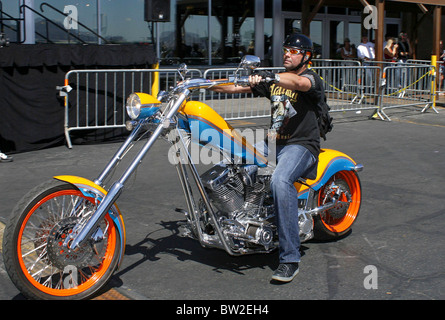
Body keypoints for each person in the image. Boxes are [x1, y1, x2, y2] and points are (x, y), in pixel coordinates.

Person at [210, 33, 324, 283]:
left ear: (306, 56)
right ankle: (237, 224)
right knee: (228, 165)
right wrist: (206, 84)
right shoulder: (275, 81)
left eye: (293, 51)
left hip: (301, 145)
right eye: (285, 50)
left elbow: (299, 84)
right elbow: (237, 87)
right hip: (273, 143)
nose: (287, 54)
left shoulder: (310, 78)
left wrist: (272, 76)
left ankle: (290, 258)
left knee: (280, 181)